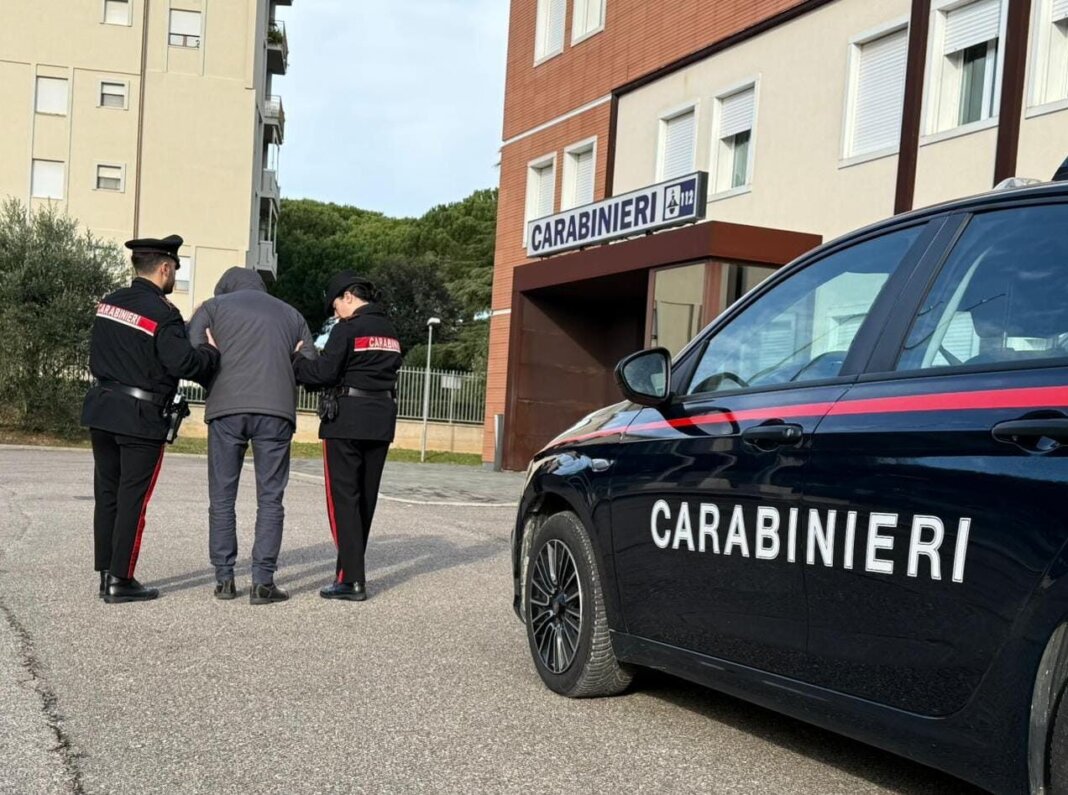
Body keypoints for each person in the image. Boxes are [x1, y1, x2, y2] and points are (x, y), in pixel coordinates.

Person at [82, 235, 219, 604]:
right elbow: (183, 363)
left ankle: (106, 574)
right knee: (133, 499)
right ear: (164, 268)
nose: (174, 275)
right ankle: (121, 580)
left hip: (103, 408)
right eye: (174, 269)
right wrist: (209, 352)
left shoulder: (109, 303)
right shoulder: (163, 312)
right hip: (140, 418)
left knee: (107, 495)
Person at [187, 267, 317, 605]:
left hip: (226, 409)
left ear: (224, 288)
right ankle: (263, 582)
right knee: (270, 498)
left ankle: (224, 579)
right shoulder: (292, 314)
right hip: (276, 411)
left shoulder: (212, 308)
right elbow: (308, 362)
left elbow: (191, 355)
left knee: (222, 496)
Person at [292, 272, 402, 602]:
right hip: (380, 419)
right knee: (365, 499)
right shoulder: (389, 330)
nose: (335, 312)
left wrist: (297, 360)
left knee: (344, 500)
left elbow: (323, 373)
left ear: (349, 297)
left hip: (347, 420)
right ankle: (349, 571)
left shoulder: (348, 328)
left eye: (335, 305)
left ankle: (351, 580)